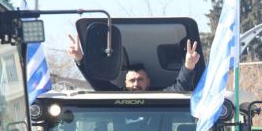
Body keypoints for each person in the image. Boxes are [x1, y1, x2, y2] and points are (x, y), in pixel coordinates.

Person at [67, 33, 200, 91]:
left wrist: (188, 65)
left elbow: (181, 88)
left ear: (148, 82)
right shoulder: (115, 99)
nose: (136, 84)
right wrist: (80, 58)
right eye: (132, 80)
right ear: (125, 83)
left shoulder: (161, 99)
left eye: (140, 79)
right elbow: (98, 83)